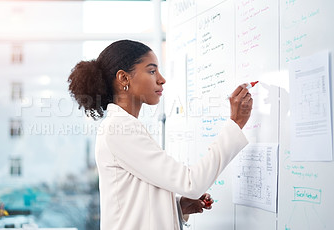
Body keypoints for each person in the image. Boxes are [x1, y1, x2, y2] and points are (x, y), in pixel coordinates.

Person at [68, 40, 252, 230]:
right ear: (123, 78)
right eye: (151, 71)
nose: (161, 79)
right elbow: (191, 182)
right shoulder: (120, 129)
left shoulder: (123, 126)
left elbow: (136, 199)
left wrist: (178, 206)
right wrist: (235, 124)